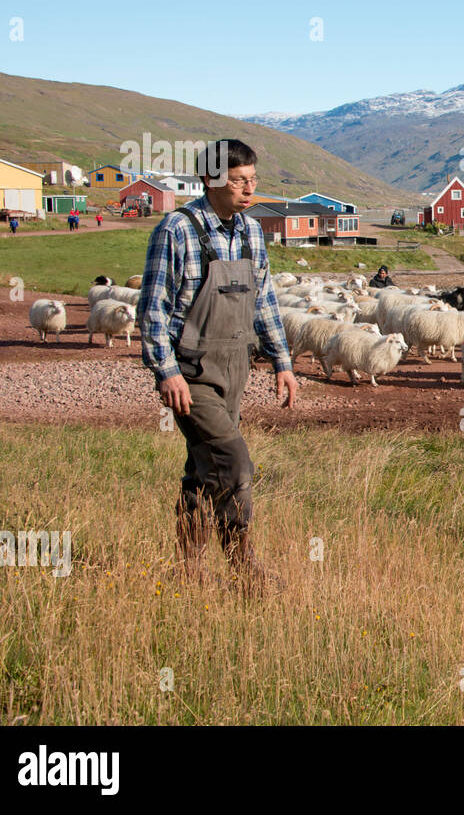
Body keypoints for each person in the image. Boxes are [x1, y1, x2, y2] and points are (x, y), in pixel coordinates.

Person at [139, 139, 296, 596]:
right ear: (213, 179)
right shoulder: (177, 230)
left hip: (235, 368)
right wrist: (165, 372)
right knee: (233, 461)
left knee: (202, 469)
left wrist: (282, 363)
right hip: (190, 372)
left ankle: (186, 570)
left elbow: (263, 300)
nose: (250, 188)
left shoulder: (250, 232)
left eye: (253, 179)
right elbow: (152, 308)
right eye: (240, 179)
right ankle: (243, 567)